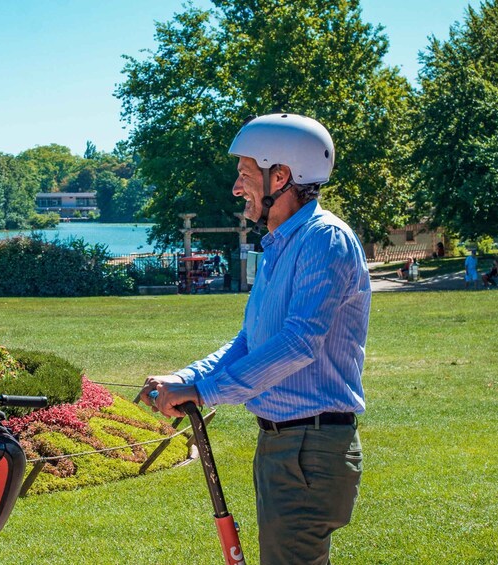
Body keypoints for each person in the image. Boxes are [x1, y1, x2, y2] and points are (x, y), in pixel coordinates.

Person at [140, 114, 370, 564]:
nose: (236, 187)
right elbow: (250, 341)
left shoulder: (325, 240)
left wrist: (205, 391)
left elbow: (300, 342)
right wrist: (186, 378)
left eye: (245, 174)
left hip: (310, 450)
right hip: (285, 447)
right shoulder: (279, 246)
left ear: (281, 176)